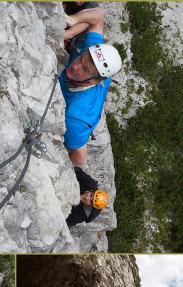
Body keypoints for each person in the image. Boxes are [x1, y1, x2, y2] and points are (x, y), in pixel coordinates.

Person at [60, 6, 122, 167]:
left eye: (84, 69)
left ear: (94, 81)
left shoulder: (76, 118)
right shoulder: (94, 58)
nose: (76, 66)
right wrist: (70, 27)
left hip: (85, 113)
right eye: (81, 58)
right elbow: (99, 15)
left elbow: (79, 157)